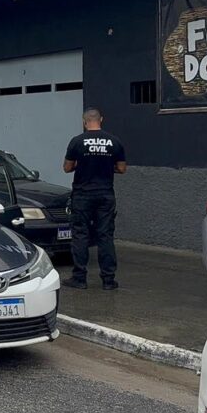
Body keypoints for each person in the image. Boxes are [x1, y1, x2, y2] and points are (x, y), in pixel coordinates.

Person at [61, 108, 127, 291]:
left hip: (82, 195)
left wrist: (82, 165)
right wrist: (106, 168)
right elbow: (122, 168)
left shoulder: (77, 141)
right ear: (101, 120)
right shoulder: (114, 141)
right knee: (105, 235)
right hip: (105, 194)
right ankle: (108, 280)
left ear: (84, 121)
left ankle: (80, 278)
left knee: (80, 235)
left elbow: (67, 168)